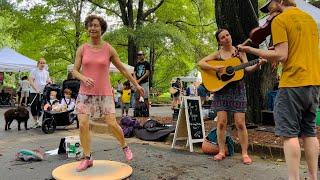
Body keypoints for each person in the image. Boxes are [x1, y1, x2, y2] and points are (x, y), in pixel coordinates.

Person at [238, 0, 320, 178]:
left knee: (289, 135)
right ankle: (314, 177)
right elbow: (298, 48)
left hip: (292, 83)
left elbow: (282, 55)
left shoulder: (280, 20)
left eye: (270, 5)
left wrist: (251, 50)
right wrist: (274, 50)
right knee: (309, 132)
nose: (268, 10)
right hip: (313, 82)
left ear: (281, 1)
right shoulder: (310, 20)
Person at [72, 15, 144, 172]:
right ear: (87, 28)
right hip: (85, 93)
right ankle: (87, 157)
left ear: (102, 28)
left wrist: (136, 85)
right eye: (90, 25)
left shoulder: (109, 49)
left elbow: (123, 69)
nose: (92, 28)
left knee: (111, 124)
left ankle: (124, 146)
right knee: (83, 124)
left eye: (96, 25)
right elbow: (74, 71)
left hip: (104, 92)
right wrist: (83, 77)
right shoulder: (82, 49)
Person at [198, 29, 265, 165]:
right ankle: (221, 151)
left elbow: (247, 69)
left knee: (240, 123)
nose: (226, 38)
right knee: (221, 123)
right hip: (221, 91)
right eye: (222, 37)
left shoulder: (240, 51)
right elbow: (201, 63)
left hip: (238, 90)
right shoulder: (218, 54)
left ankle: (245, 153)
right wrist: (215, 69)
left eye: (227, 35)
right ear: (219, 41)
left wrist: (258, 64)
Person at [29, 58, 51, 128]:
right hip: (34, 92)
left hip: (42, 92)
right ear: (38, 64)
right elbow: (31, 81)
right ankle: (35, 121)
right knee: (33, 106)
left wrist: (50, 81)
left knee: (40, 107)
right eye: (41, 63)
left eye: (44, 63)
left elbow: (48, 80)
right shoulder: (34, 71)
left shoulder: (46, 72)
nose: (42, 64)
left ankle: (38, 121)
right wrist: (36, 89)